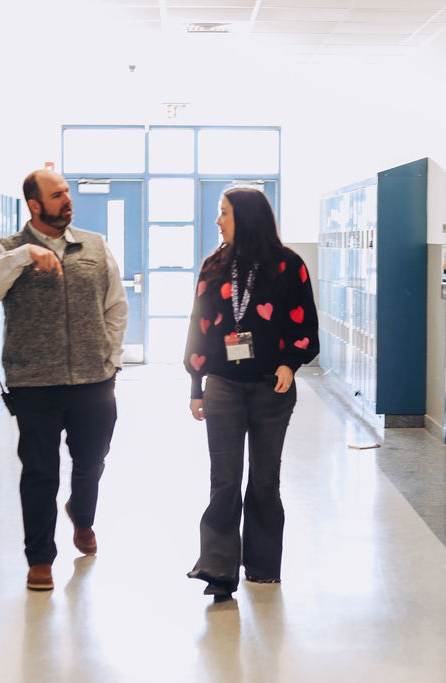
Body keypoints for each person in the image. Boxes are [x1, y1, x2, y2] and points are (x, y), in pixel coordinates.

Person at [0, 169, 127, 591]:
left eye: (67, 193)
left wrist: (109, 358)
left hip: (94, 381)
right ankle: (40, 558)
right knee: (40, 472)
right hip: (35, 384)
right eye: (57, 195)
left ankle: (82, 513)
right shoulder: (6, 249)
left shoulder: (94, 245)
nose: (67, 200)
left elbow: (116, 305)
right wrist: (25, 257)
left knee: (91, 461)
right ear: (34, 205)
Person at [183, 186, 319, 601]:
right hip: (222, 385)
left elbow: (306, 328)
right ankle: (218, 569)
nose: (218, 221)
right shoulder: (214, 266)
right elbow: (198, 325)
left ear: (246, 217)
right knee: (224, 480)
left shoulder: (288, 265)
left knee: (264, 480)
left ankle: (262, 567)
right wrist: (195, 384)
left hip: (270, 389)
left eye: (224, 213)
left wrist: (288, 364)